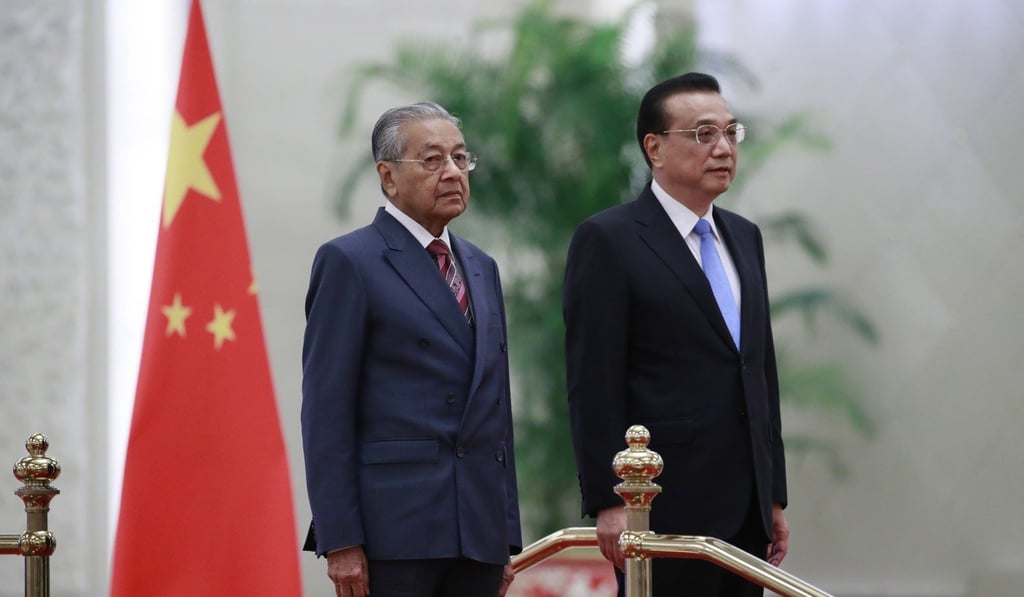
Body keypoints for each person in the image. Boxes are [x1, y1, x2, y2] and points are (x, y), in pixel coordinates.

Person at [563, 72, 789, 596]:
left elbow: (759, 370)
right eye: (704, 134)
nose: (723, 148)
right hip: (658, 507)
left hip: (746, 510)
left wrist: (773, 492)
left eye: (732, 133)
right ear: (655, 148)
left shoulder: (743, 236)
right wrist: (608, 500)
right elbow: (593, 381)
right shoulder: (609, 239)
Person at [300, 101, 522, 597]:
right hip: (394, 533)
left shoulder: (481, 266)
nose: (452, 172)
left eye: (461, 159)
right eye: (432, 160)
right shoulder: (351, 261)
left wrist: (507, 536)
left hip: (477, 533)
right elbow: (326, 412)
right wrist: (340, 541)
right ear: (388, 176)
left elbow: (496, 409)